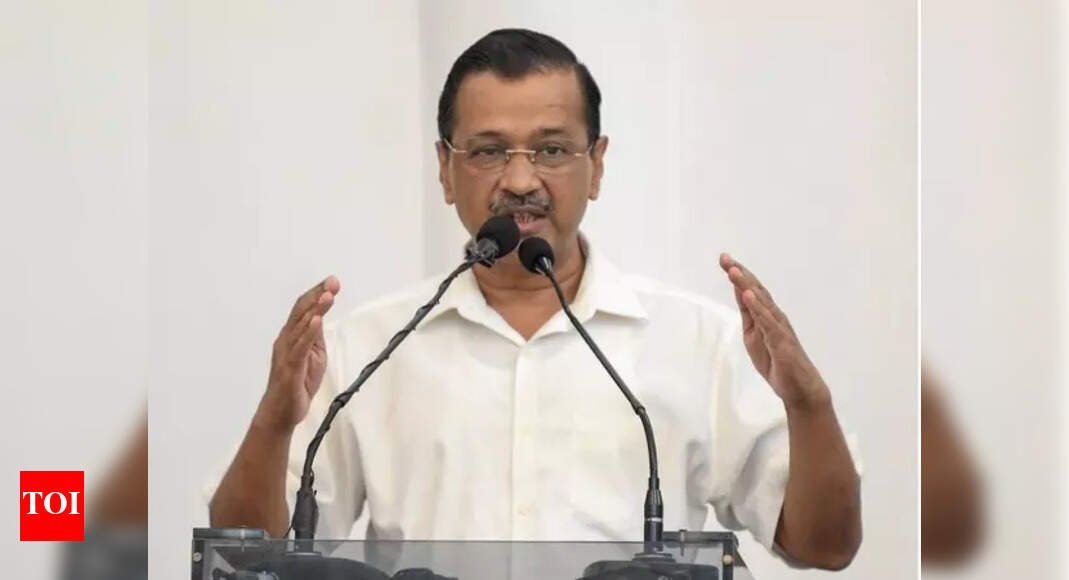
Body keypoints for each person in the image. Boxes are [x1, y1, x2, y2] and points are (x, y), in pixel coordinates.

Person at [209, 28, 862, 570]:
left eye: (551, 150)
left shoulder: (697, 340)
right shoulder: (367, 348)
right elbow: (243, 558)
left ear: (595, 164)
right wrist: (273, 423)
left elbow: (825, 546)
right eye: (489, 152)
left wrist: (809, 405)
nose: (520, 180)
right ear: (445, 169)